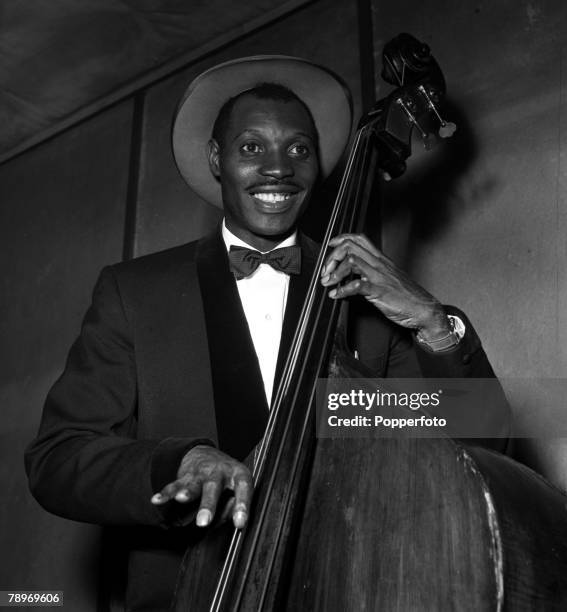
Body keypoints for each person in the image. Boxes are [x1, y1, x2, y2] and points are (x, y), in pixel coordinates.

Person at [25, 56, 506, 611]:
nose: (278, 169)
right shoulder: (135, 292)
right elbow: (58, 460)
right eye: (251, 147)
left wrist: (430, 319)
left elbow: (483, 446)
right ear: (217, 160)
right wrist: (176, 462)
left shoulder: (363, 298)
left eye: (298, 149)